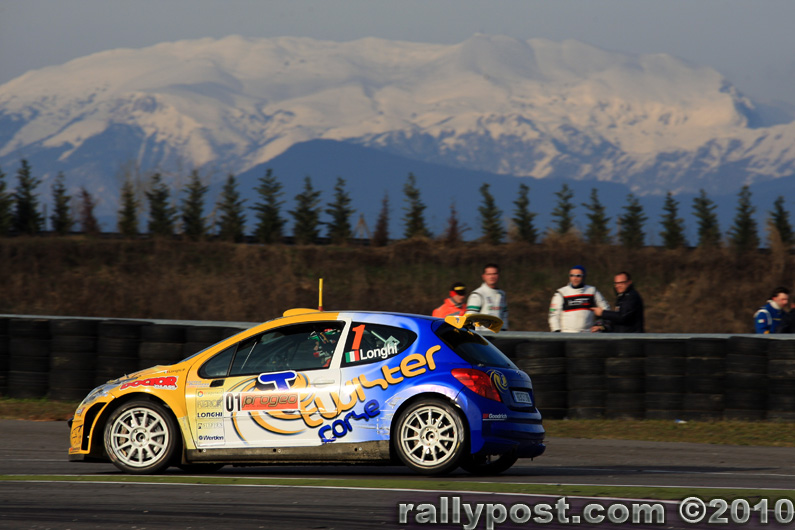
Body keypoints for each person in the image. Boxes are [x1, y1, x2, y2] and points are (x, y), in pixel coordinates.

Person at [548, 265, 610, 333]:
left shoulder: (592, 291)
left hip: (588, 333)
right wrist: (556, 331)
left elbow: (606, 309)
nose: (575, 278)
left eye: (578, 276)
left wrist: (601, 326)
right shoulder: (561, 293)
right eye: (572, 275)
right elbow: (553, 314)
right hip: (567, 333)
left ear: (584, 277)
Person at [465, 263, 508, 330]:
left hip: (499, 335)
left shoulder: (502, 294)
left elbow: (504, 317)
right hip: (482, 335)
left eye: (494, 274)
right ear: (484, 276)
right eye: (489, 274)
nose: (492, 277)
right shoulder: (477, 294)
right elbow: (469, 318)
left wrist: (504, 332)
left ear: (498, 275)